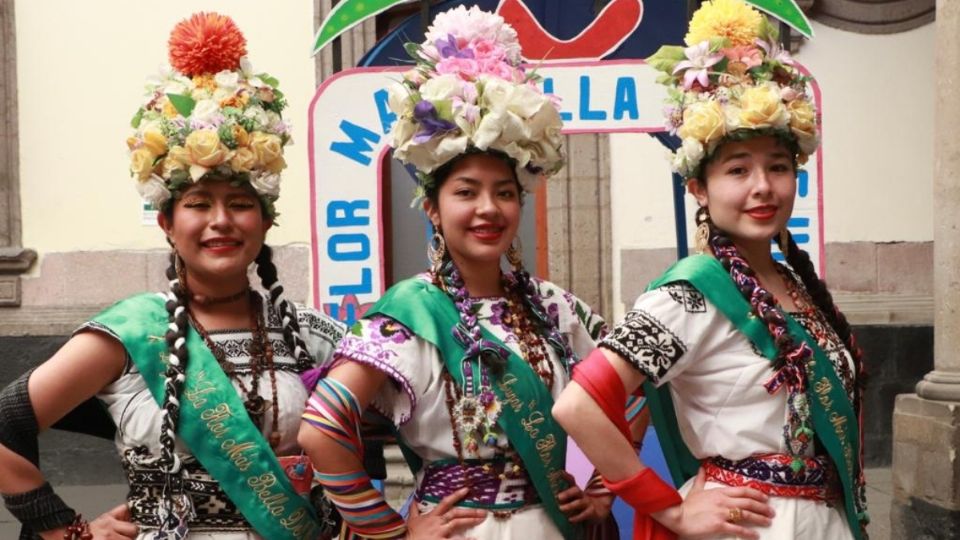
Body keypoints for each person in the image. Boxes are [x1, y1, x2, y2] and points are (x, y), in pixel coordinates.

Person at [0, 13, 345, 540]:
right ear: (167, 222)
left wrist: (405, 522)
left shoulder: (311, 335)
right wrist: (68, 531)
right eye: (199, 204)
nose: (221, 221)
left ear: (266, 219)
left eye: (240, 204)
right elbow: (6, 427)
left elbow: (415, 426)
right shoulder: (131, 334)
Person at [297, 6, 623, 539]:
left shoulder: (555, 307)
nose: (487, 209)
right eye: (466, 192)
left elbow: (633, 389)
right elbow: (322, 428)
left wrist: (608, 485)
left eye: (504, 193)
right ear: (433, 208)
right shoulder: (408, 313)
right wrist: (392, 532)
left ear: (521, 202)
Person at [553, 1, 869, 539]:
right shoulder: (690, 296)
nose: (762, 187)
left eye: (777, 167)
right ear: (699, 187)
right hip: (750, 523)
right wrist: (667, 508)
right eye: (737, 170)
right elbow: (579, 404)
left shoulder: (792, 282)